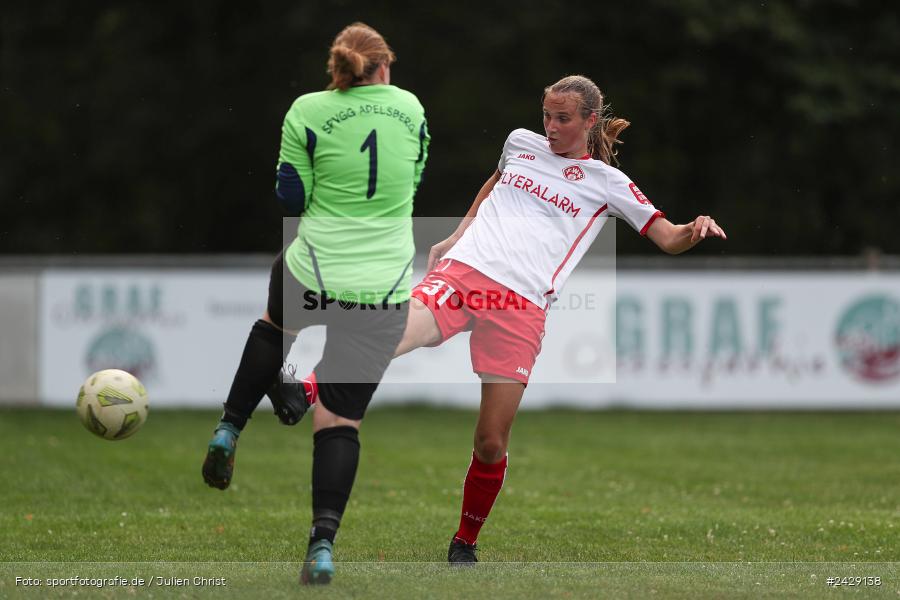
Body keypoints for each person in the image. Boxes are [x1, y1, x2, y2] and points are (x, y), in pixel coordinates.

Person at [276, 74, 725, 563]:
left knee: (490, 442)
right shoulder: (520, 143)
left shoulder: (607, 182)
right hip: (466, 272)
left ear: (590, 121)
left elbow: (667, 236)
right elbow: (493, 183)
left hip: (521, 305)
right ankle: (305, 392)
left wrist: (693, 229)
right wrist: (454, 236)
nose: (550, 127)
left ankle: (465, 541)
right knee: (396, 331)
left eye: (563, 119)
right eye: (547, 116)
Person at [201, 22, 429, 585]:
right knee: (338, 420)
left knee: (277, 325)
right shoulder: (412, 107)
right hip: (383, 284)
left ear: (338, 68)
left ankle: (229, 428)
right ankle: (321, 546)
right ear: (383, 66)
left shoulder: (307, 109)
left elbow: (290, 195)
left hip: (317, 264)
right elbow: (414, 180)